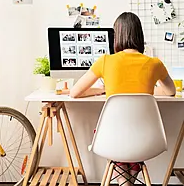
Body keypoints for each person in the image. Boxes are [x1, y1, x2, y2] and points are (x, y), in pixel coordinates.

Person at [70, 12, 176, 185]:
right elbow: (171, 91)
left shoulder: (105, 61)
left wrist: (102, 90)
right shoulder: (154, 63)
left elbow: (74, 92)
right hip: (146, 140)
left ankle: (123, 182)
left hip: (110, 139)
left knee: (115, 133)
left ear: (116, 35)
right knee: (133, 133)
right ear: (140, 35)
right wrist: (148, 90)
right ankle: (127, 183)